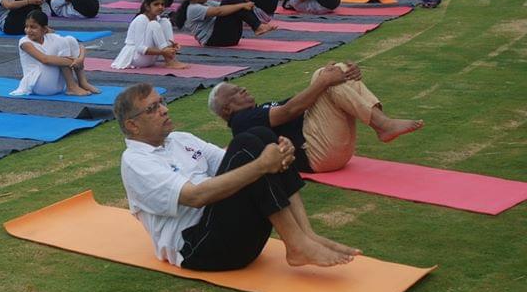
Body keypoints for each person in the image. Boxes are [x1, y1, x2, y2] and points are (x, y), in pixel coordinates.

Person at [115, 83, 358, 272]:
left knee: (260, 136)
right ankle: (296, 244)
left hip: (231, 236)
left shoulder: (180, 139)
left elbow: (229, 161)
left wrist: (279, 152)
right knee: (250, 147)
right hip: (199, 249)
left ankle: (306, 236)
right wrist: (262, 163)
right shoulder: (136, 162)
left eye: (161, 102)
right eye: (152, 108)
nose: (164, 109)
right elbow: (196, 197)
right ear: (133, 126)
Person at [208, 63, 424, 173]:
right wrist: (325, 79)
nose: (243, 89)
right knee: (323, 78)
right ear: (227, 110)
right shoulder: (241, 120)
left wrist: (345, 73)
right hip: (316, 155)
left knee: (333, 73)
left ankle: (382, 123)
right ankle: (383, 125)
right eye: (236, 92)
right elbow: (289, 111)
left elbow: (305, 101)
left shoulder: (261, 110)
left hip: (330, 151)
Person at [12, 11, 98, 97]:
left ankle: (82, 82)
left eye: (33, 27)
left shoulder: (50, 37)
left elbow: (80, 46)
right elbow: (45, 60)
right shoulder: (24, 42)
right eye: (26, 27)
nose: (28, 30)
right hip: (39, 85)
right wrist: (75, 61)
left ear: (44, 29)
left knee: (70, 39)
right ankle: (71, 86)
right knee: (62, 46)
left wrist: (80, 59)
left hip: (57, 84)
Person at [171, 0, 275, 47]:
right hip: (214, 40)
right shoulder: (193, 8)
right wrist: (242, 5)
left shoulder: (207, 2)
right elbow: (219, 11)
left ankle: (257, 26)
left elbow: (229, 4)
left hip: (229, 38)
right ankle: (257, 26)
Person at [111, 0, 187, 70]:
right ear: (147, 6)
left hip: (150, 58)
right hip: (137, 58)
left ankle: (170, 59)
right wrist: (163, 51)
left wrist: (172, 46)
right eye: (156, 4)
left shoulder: (158, 18)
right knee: (154, 24)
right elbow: (140, 48)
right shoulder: (141, 19)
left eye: (162, 4)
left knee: (165, 22)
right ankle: (169, 60)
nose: (160, 7)